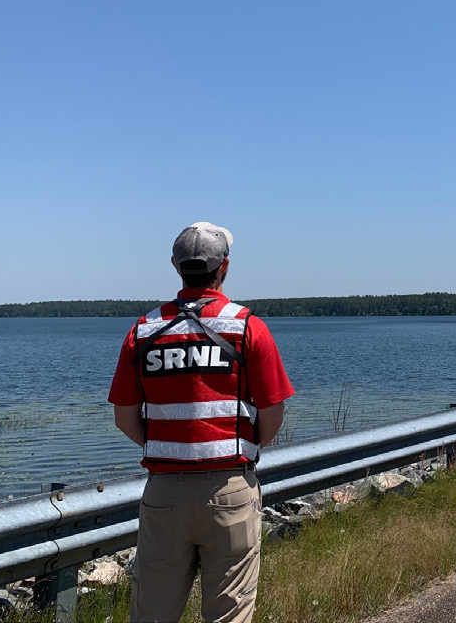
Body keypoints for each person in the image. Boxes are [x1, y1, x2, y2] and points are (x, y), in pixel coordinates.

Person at [108, 222, 294, 623]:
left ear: (176, 266)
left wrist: (164, 446)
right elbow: (274, 412)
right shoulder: (247, 327)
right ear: (223, 267)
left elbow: (125, 417)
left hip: (164, 492)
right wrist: (249, 447)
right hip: (230, 486)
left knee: (152, 614)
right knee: (229, 613)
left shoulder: (143, 331)